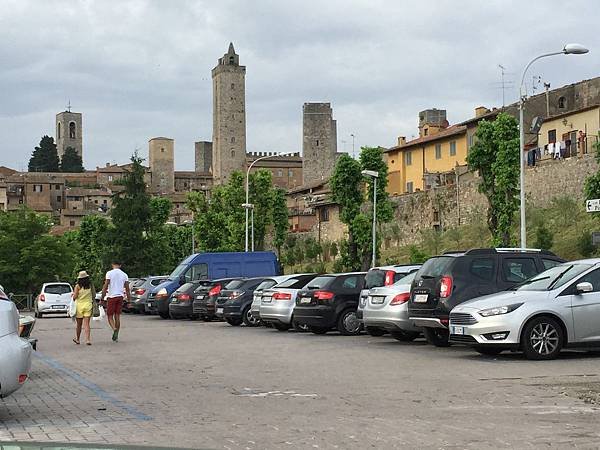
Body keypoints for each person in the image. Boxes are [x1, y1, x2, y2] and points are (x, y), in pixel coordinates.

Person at [100, 260, 131, 342]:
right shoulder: (124, 275)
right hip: (120, 296)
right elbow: (127, 289)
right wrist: (129, 301)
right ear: (120, 265)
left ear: (112, 265)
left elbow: (106, 286)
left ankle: (114, 329)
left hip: (111, 296)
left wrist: (102, 298)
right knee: (117, 315)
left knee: (110, 315)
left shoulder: (109, 273)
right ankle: (116, 335)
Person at [73, 271, 94, 346]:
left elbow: (75, 297)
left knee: (79, 324)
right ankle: (88, 340)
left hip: (79, 306)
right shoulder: (90, 285)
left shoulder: (77, 286)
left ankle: (78, 339)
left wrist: (72, 297)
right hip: (88, 305)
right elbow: (93, 294)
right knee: (87, 324)